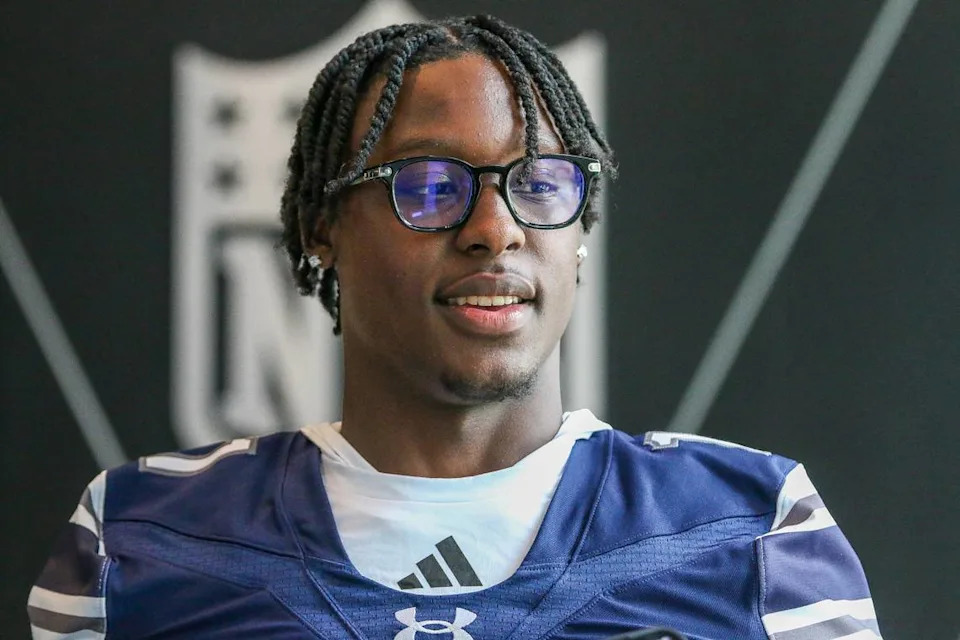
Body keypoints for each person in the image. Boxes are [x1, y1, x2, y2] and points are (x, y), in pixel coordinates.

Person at [28, 15, 881, 640]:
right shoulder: (141, 537)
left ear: (581, 233)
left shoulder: (751, 528)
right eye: (431, 186)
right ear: (323, 228)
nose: (495, 229)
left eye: (540, 183)